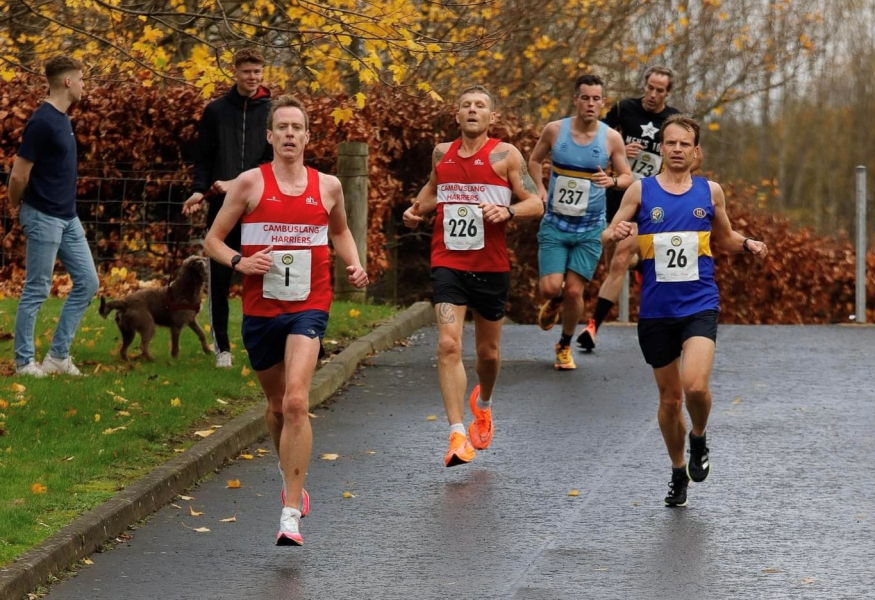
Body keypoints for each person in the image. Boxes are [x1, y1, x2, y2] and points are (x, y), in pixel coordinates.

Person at [204, 95, 368, 545]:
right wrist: (240, 262)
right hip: (261, 311)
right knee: (276, 408)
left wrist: (351, 262)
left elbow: (339, 231)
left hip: (309, 306)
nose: (291, 134)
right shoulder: (249, 184)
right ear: (270, 136)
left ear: (308, 136)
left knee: (297, 402)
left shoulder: (328, 186)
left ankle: (290, 511)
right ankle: (288, 466)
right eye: (283, 127)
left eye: (299, 127)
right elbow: (212, 241)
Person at [607, 115, 767, 507]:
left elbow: (725, 237)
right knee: (669, 400)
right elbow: (609, 234)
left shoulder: (710, 192)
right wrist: (617, 233)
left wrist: (748, 244)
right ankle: (678, 469)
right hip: (656, 310)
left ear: (696, 152)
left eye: (685, 144)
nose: (677, 149)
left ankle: (699, 437)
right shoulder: (640, 192)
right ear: (661, 147)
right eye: (671, 143)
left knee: (695, 386)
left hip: (699, 303)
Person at [402, 85, 544, 467]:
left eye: (480, 106)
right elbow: (434, 190)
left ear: (490, 117)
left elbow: (536, 202)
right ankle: (457, 434)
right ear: (456, 114)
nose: (472, 110)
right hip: (448, 262)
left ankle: (483, 403)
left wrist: (509, 212)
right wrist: (416, 209)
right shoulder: (441, 153)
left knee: (488, 353)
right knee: (448, 345)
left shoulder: (505, 155)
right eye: (466, 105)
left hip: (491, 266)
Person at [529, 74, 632, 370]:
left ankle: (564, 344)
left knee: (575, 290)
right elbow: (534, 160)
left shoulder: (611, 137)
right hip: (556, 222)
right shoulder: (554, 130)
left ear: (603, 102)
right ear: (575, 99)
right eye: (584, 98)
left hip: (590, 226)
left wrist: (611, 180)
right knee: (550, 288)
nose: (590, 103)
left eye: (596, 99)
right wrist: (540, 189)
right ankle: (554, 301)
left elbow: (628, 177)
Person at [577, 66, 681, 351]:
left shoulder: (673, 120)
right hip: (618, 193)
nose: (652, 94)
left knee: (620, 258)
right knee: (614, 261)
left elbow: (692, 155)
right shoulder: (624, 109)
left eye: (660, 90)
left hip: (649, 198)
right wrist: (621, 147)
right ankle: (641, 265)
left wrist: (669, 166)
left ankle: (592, 326)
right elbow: (598, 138)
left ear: (667, 93)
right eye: (649, 87)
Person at [8, 56, 99, 377]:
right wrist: (14, 205)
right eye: (83, 79)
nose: (85, 85)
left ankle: (58, 355)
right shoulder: (42, 121)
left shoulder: (63, 118)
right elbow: (19, 174)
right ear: (68, 82)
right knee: (37, 288)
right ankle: (24, 362)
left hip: (68, 218)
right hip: (43, 216)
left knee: (88, 282)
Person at [183, 48, 273, 369]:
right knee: (220, 278)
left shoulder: (272, 111)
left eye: (257, 71)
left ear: (263, 73)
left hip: (261, 207)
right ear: (235, 72)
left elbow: (272, 161)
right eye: (247, 71)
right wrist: (198, 191)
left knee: (260, 277)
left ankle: (261, 342)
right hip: (222, 208)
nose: (252, 77)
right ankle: (223, 348)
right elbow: (204, 156)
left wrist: (237, 182)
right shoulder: (216, 111)